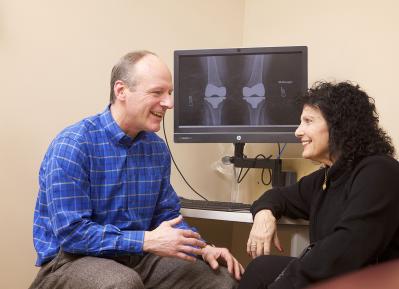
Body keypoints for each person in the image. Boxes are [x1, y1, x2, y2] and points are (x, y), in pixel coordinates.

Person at [30, 50, 243, 289]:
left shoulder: (156, 150)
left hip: (137, 258)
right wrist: (146, 240)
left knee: (221, 280)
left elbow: (168, 217)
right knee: (122, 283)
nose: (169, 103)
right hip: (70, 261)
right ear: (121, 91)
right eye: (157, 92)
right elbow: (73, 235)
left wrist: (204, 248)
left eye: (170, 93)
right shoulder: (73, 144)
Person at [237, 81, 399, 289]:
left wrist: (284, 284)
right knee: (261, 268)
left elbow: (345, 250)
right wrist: (264, 214)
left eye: (308, 121)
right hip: (360, 277)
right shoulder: (328, 176)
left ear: (339, 126)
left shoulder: (380, 173)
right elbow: (279, 196)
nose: (298, 131)